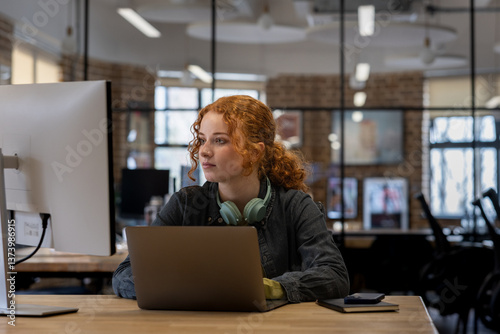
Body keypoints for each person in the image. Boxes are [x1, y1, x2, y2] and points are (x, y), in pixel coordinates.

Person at [112, 95, 349, 302]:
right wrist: (189, 287)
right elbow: (124, 275)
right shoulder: (185, 205)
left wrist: (267, 289)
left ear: (255, 152)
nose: (203, 151)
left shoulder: (295, 206)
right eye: (202, 139)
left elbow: (334, 276)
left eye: (219, 140)